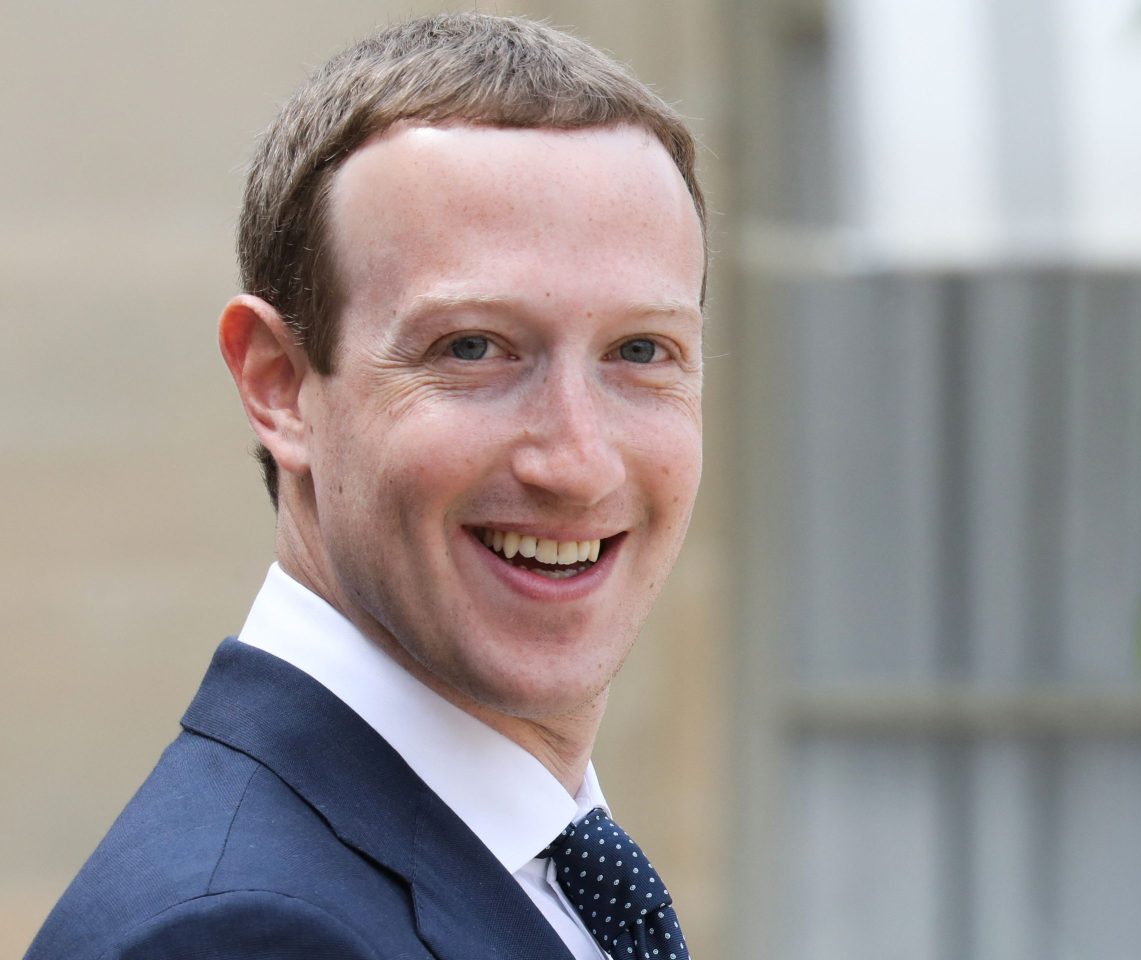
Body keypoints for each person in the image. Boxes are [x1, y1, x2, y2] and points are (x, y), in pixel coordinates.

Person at [25, 13, 706, 960]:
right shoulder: (243, 935)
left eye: (642, 351)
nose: (579, 462)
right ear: (278, 386)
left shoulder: (537, 873)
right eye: (472, 348)